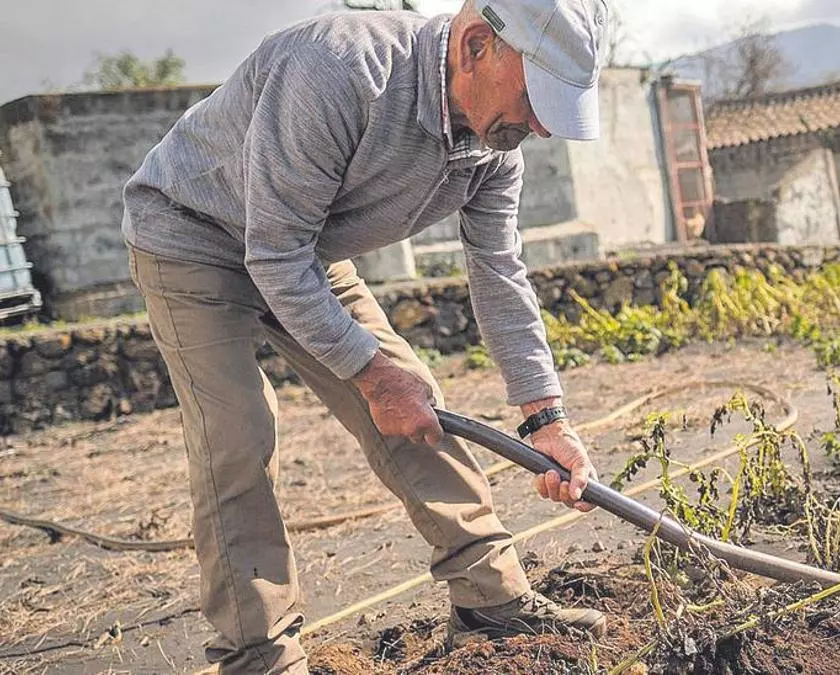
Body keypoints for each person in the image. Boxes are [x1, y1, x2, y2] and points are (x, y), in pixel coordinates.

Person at [121, 0, 610, 672]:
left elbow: (498, 273)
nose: (541, 126)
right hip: (191, 235)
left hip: (302, 243)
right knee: (238, 434)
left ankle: (488, 598)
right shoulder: (340, 70)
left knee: (421, 408)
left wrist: (546, 419)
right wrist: (373, 377)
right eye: (535, 98)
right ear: (475, 47)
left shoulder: (492, 145)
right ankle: (258, 648)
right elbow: (273, 256)